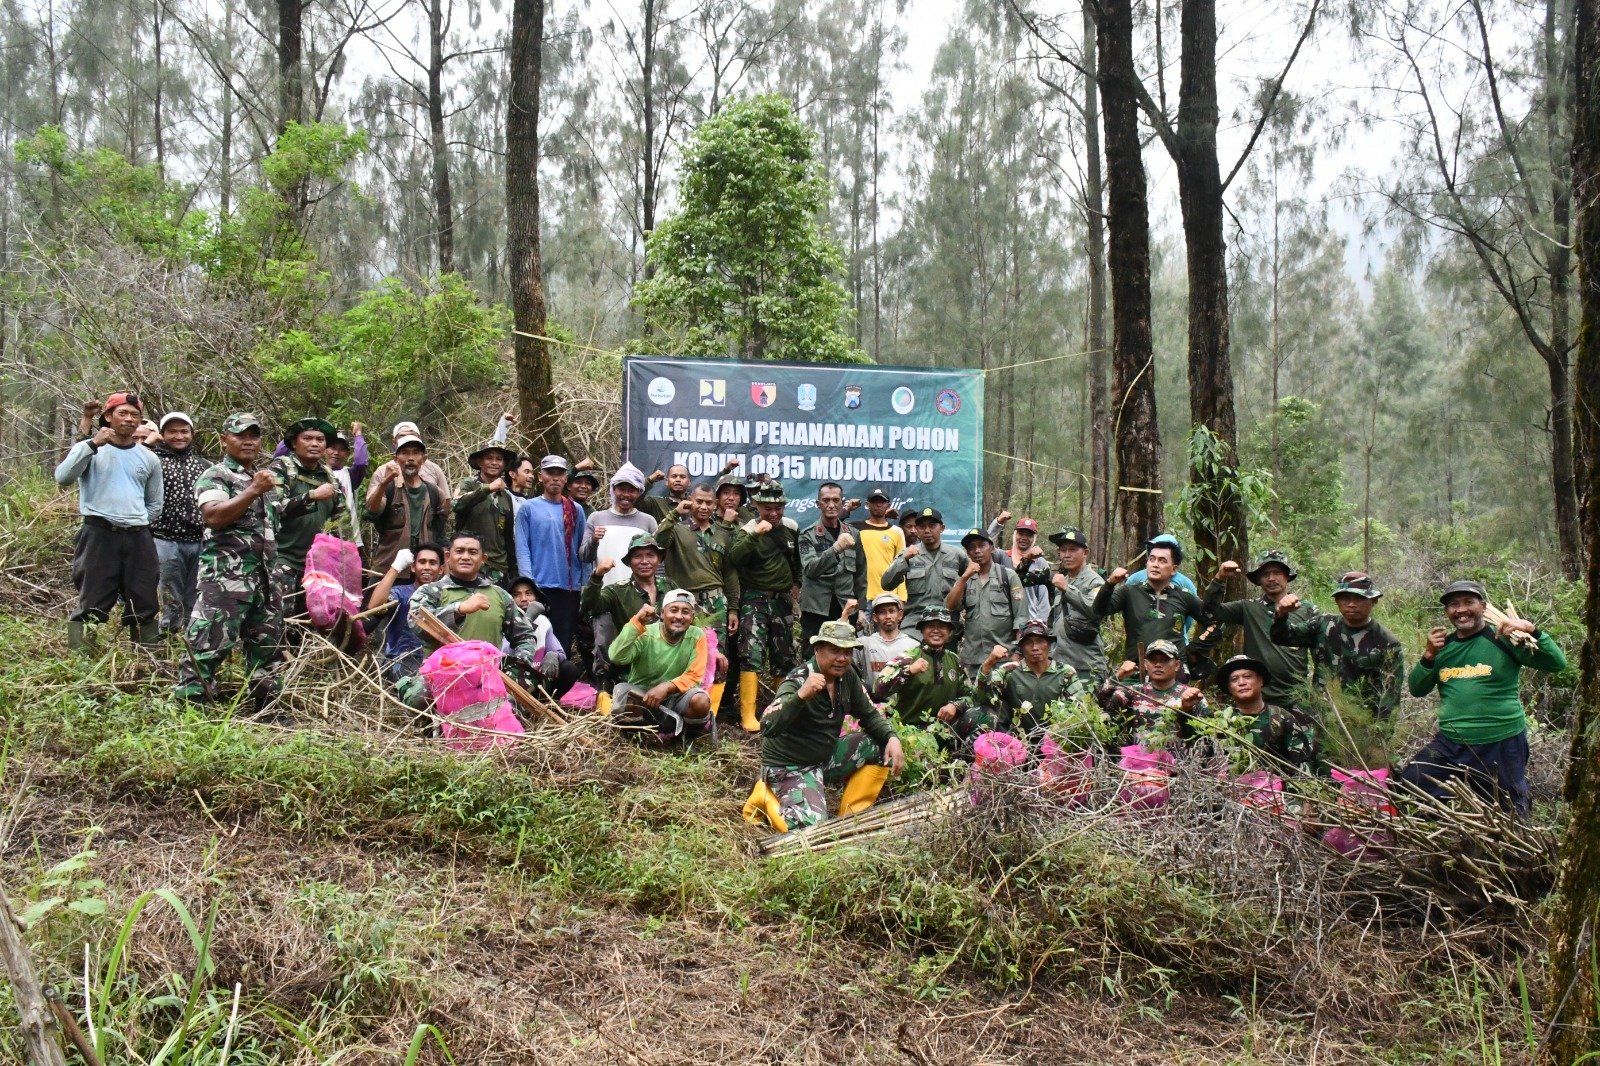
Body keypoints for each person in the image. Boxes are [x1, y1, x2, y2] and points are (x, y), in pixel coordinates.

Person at [1400, 579, 1567, 818]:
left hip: (1500, 742)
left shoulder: (1506, 639)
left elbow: (1557, 664)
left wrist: (1532, 630)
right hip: (1450, 743)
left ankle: (1513, 848)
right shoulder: (1442, 648)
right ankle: (1455, 828)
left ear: (1483, 606)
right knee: (1412, 784)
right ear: (1447, 612)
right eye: (1453, 605)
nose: (1461, 609)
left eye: (1469, 602)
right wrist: (1428, 656)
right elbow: (1417, 688)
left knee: (1509, 813)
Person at [746, 620, 907, 831]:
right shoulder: (797, 681)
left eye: (848, 652)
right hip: (789, 767)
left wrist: (892, 737)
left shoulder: (847, 677)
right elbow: (767, 725)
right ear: (818, 649)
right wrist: (801, 696)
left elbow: (869, 713)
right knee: (809, 827)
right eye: (835, 651)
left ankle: (850, 820)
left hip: (824, 758)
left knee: (879, 746)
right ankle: (764, 797)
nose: (842, 658)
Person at [173, 413, 284, 713]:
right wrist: (252, 492)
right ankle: (191, 708)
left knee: (268, 650)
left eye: (253, 435)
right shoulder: (216, 475)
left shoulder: (263, 480)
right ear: (224, 440)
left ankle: (267, 709)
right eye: (240, 435)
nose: (248, 441)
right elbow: (214, 516)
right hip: (225, 579)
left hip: (264, 580)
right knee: (208, 645)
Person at [54, 391, 164, 649]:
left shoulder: (148, 457)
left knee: (144, 599)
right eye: (122, 413)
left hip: (138, 536)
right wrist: (92, 444)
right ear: (107, 417)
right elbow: (63, 478)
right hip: (99, 534)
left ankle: (145, 658)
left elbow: (155, 502)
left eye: (134, 415)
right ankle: (81, 659)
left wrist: (135, 521)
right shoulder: (89, 449)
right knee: (92, 598)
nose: (128, 419)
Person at [1270, 571, 1405, 720]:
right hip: (1320, 718)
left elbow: (1390, 697)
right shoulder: (1322, 624)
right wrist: (1281, 615)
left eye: (1359, 598)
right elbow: (1281, 637)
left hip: (1360, 723)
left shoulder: (1387, 642)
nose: (1351, 604)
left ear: (1373, 601)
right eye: (1345, 598)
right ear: (1337, 601)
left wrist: (1379, 736)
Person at [727, 481, 803, 732]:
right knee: (751, 654)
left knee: (784, 657)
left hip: (782, 599)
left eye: (778, 507)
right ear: (757, 505)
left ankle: (781, 712)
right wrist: (755, 534)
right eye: (767, 507)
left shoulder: (791, 527)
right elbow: (735, 558)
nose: (773, 513)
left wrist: (796, 584)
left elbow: (797, 561)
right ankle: (748, 715)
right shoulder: (747, 529)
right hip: (754, 599)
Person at [409, 533, 541, 671]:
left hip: (487, 682)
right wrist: (458, 609)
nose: (465, 557)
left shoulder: (500, 595)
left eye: (473, 552)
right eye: (459, 551)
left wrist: (514, 670)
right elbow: (417, 624)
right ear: (448, 557)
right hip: (440, 678)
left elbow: (525, 636)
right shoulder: (430, 591)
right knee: (413, 692)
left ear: (483, 559)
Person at [1203, 550, 1315, 706]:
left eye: (1277, 572)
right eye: (1265, 574)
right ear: (1258, 580)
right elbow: (1211, 610)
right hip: (1259, 698)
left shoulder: (1306, 609)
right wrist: (1219, 578)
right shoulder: (1248, 607)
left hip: (1298, 697)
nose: (1271, 578)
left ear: (1287, 576)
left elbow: (1321, 649)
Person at [608, 590, 714, 739]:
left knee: (701, 701)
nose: (679, 616)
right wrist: (637, 621)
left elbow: (694, 675)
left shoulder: (696, 635)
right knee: (623, 692)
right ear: (663, 614)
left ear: (692, 617)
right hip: (643, 699)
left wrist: (667, 687)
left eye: (685, 612)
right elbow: (616, 656)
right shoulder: (646, 633)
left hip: (675, 701)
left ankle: (685, 742)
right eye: (673, 610)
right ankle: (637, 740)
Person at [266, 417, 344, 613]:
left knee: (309, 621)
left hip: (317, 567)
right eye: (307, 438)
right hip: (282, 559)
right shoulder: (281, 468)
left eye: (320, 439)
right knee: (278, 619)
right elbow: (273, 508)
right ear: (294, 443)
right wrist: (312, 496)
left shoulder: (330, 477)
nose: (314, 444)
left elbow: (340, 522)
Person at [1091, 537, 1210, 665]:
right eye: (1152, 559)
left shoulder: (1184, 596)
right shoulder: (1129, 592)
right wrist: (1110, 583)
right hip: (1136, 672)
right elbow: (1099, 610)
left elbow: (1215, 621)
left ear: (1174, 569)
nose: (1155, 564)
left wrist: (1193, 650)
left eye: (1162, 561)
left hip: (1174, 675)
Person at [513, 454, 588, 652]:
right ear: (541, 477)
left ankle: (559, 683)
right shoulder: (528, 508)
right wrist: (528, 587)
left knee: (562, 644)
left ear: (566, 478)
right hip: (539, 586)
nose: (555, 478)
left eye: (559, 474)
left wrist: (585, 584)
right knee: (534, 640)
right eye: (550, 473)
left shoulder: (575, 509)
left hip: (568, 587)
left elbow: (583, 550)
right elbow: (522, 549)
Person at [582, 533, 674, 692]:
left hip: (668, 663)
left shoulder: (669, 586)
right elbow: (591, 606)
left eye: (650, 555)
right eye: (638, 556)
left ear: (659, 560)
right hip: (633, 667)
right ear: (629, 562)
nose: (644, 561)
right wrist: (597, 576)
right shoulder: (617, 591)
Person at [976, 620, 1092, 744]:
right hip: (1016, 742)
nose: (1035, 647)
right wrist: (989, 663)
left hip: (1056, 742)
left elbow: (1079, 709)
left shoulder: (1065, 673)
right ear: (1021, 648)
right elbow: (981, 696)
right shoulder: (1009, 672)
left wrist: (1057, 731)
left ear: (1049, 644)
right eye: (1028, 643)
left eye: (1040, 641)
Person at [147, 411, 210, 637]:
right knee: (170, 592)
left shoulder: (203, 465)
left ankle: (191, 638)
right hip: (165, 538)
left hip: (198, 540)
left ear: (192, 434)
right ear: (162, 435)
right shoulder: (154, 461)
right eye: (172, 432)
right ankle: (168, 637)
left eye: (184, 431)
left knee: (195, 592)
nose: (179, 436)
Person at [1215, 654, 1323, 776]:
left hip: (1276, 791)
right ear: (1229, 687)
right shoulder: (1220, 723)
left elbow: (1302, 764)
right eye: (1234, 679)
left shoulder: (1282, 718)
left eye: (1247, 677)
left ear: (1260, 680)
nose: (1241, 682)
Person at [874, 607, 975, 736]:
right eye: (931, 626)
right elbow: (878, 688)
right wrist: (908, 671)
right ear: (922, 630)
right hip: (911, 733)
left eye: (942, 626)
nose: (936, 631)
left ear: (949, 632)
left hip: (945, 731)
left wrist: (955, 706)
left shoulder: (954, 660)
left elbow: (971, 695)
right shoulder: (907, 658)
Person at [1022, 526, 1107, 681]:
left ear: (1085, 553)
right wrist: (1027, 560)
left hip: (1086, 665)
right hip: (1060, 663)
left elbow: (1096, 611)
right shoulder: (1061, 578)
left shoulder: (1095, 581)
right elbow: (1022, 579)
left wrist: (1067, 589)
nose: (1067, 555)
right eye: (1063, 550)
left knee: (1087, 706)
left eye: (1073, 550)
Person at [364, 434, 447, 583]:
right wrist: (383, 483)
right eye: (405, 453)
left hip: (423, 572)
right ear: (396, 459)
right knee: (374, 605)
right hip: (387, 568)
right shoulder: (389, 489)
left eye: (416, 453)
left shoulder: (435, 493)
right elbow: (372, 512)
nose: (410, 458)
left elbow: (439, 531)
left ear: (424, 459)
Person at [945, 527, 1026, 674]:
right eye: (971, 547)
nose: (977, 551)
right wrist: (964, 578)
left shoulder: (1008, 576)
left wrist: (1018, 653)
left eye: (981, 545)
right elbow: (950, 606)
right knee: (976, 697)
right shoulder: (965, 579)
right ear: (967, 553)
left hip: (1004, 658)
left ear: (992, 548)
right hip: (974, 659)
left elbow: (1021, 617)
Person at [1093, 640, 1206, 745]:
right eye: (1153, 660)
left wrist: (1187, 710)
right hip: (1139, 761)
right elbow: (1101, 703)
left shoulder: (1191, 695)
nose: (1158, 664)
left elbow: (1205, 736)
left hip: (1177, 762)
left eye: (1165, 660)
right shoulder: (1134, 692)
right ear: (1145, 664)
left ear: (1177, 665)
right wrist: (1117, 677)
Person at [365, 542, 445, 687]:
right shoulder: (401, 593)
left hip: (437, 663)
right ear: (413, 567)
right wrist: (395, 568)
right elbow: (374, 606)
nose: (427, 567)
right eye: (422, 562)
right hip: (401, 662)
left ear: (441, 570)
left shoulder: (446, 596)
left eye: (432, 563)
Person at [880, 507, 967, 621]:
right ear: (916, 529)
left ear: (942, 528)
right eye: (922, 526)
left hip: (947, 621)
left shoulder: (956, 554)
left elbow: (973, 581)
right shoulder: (908, 554)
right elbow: (886, 584)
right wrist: (904, 559)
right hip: (915, 621)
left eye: (932, 525)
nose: (927, 530)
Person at [799, 482, 859, 644]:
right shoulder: (807, 535)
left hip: (845, 607)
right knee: (813, 656)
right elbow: (810, 569)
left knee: (846, 657)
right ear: (818, 504)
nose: (831, 505)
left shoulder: (853, 533)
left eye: (836, 500)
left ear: (842, 502)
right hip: (816, 609)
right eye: (826, 500)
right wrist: (837, 548)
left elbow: (861, 573)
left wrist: (861, 608)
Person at [454, 442, 519, 586]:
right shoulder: (468, 484)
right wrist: (488, 488)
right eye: (489, 458)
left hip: (500, 567)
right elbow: (456, 504)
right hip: (471, 563)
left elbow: (507, 535)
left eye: (499, 459)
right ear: (480, 462)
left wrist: (512, 568)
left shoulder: (506, 496)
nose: (494, 462)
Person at [510, 577, 579, 700]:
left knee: (568, 669)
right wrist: (527, 619)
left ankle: (547, 702)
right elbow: (505, 653)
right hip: (514, 682)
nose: (524, 599)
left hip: (539, 680)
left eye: (529, 593)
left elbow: (559, 652)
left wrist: (553, 655)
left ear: (536, 598)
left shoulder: (543, 621)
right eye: (517, 595)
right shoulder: (504, 620)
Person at [580, 462, 658, 568]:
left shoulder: (648, 521)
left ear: (639, 492)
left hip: (636, 584)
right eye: (621, 489)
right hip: (602, 583)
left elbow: (656, 560)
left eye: (631, 490)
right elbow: (585, 557)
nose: (626, 495)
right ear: (613, 489)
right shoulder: (596, 518)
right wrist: (593, 540)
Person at [988, 515, 1051, 622]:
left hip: (1029, 621)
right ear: (1015, 534)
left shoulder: (1040, 562)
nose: (1024, 538)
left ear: (1034, 538)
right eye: (1021, 533)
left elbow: (1043, 598)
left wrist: (1041, 624)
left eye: (1029, 535)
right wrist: (998, 523)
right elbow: (985, 544)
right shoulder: (1002, 556)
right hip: (1002, 618)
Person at [852, 487, 906, 605]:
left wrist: (902, 597)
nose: (878, 505)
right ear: (867, 504)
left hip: (888, 596)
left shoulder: (896, 531)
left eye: (882, 502)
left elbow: (901, 566)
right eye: (874, 501)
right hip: (861, 596)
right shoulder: (855, 529)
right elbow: (835, 526)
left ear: (888, 505)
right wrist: (847, 510)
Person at [378, 420, 452, 502]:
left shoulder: (434, 469)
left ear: (419, 439)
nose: (407, 440)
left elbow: (445, 503)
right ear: (394, 442)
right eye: (402, 437)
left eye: (412, 436)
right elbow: (372, 510)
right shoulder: (382, 471)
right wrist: (383, 483)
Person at [855, 593, 919, 679]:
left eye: (891, 611)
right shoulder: (864, 644)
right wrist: (845, 615)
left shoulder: (913, 646)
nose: (888, 616)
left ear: (900, 615)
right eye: (882, 612)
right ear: (875, 617)